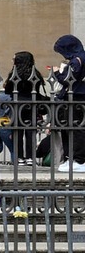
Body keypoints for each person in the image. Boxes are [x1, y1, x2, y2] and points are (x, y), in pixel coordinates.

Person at [0, 50, 44, 164]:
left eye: (14, 59)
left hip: (18, 105)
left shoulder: (15, 74)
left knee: (18, 132)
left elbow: (8, 90)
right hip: (32, 104)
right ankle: (30, 157)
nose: (12, 61)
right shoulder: (36, 74)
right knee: (31, 131)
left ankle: (19, 157)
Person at [49, 34, 85, 168]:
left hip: (76, 96)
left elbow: (67, 80)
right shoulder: (79, 58)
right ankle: (72, 158)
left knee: (75, 128)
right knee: (70, 127)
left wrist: (57, 72)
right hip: (75, 95)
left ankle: (79, 159)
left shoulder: (77, 60)